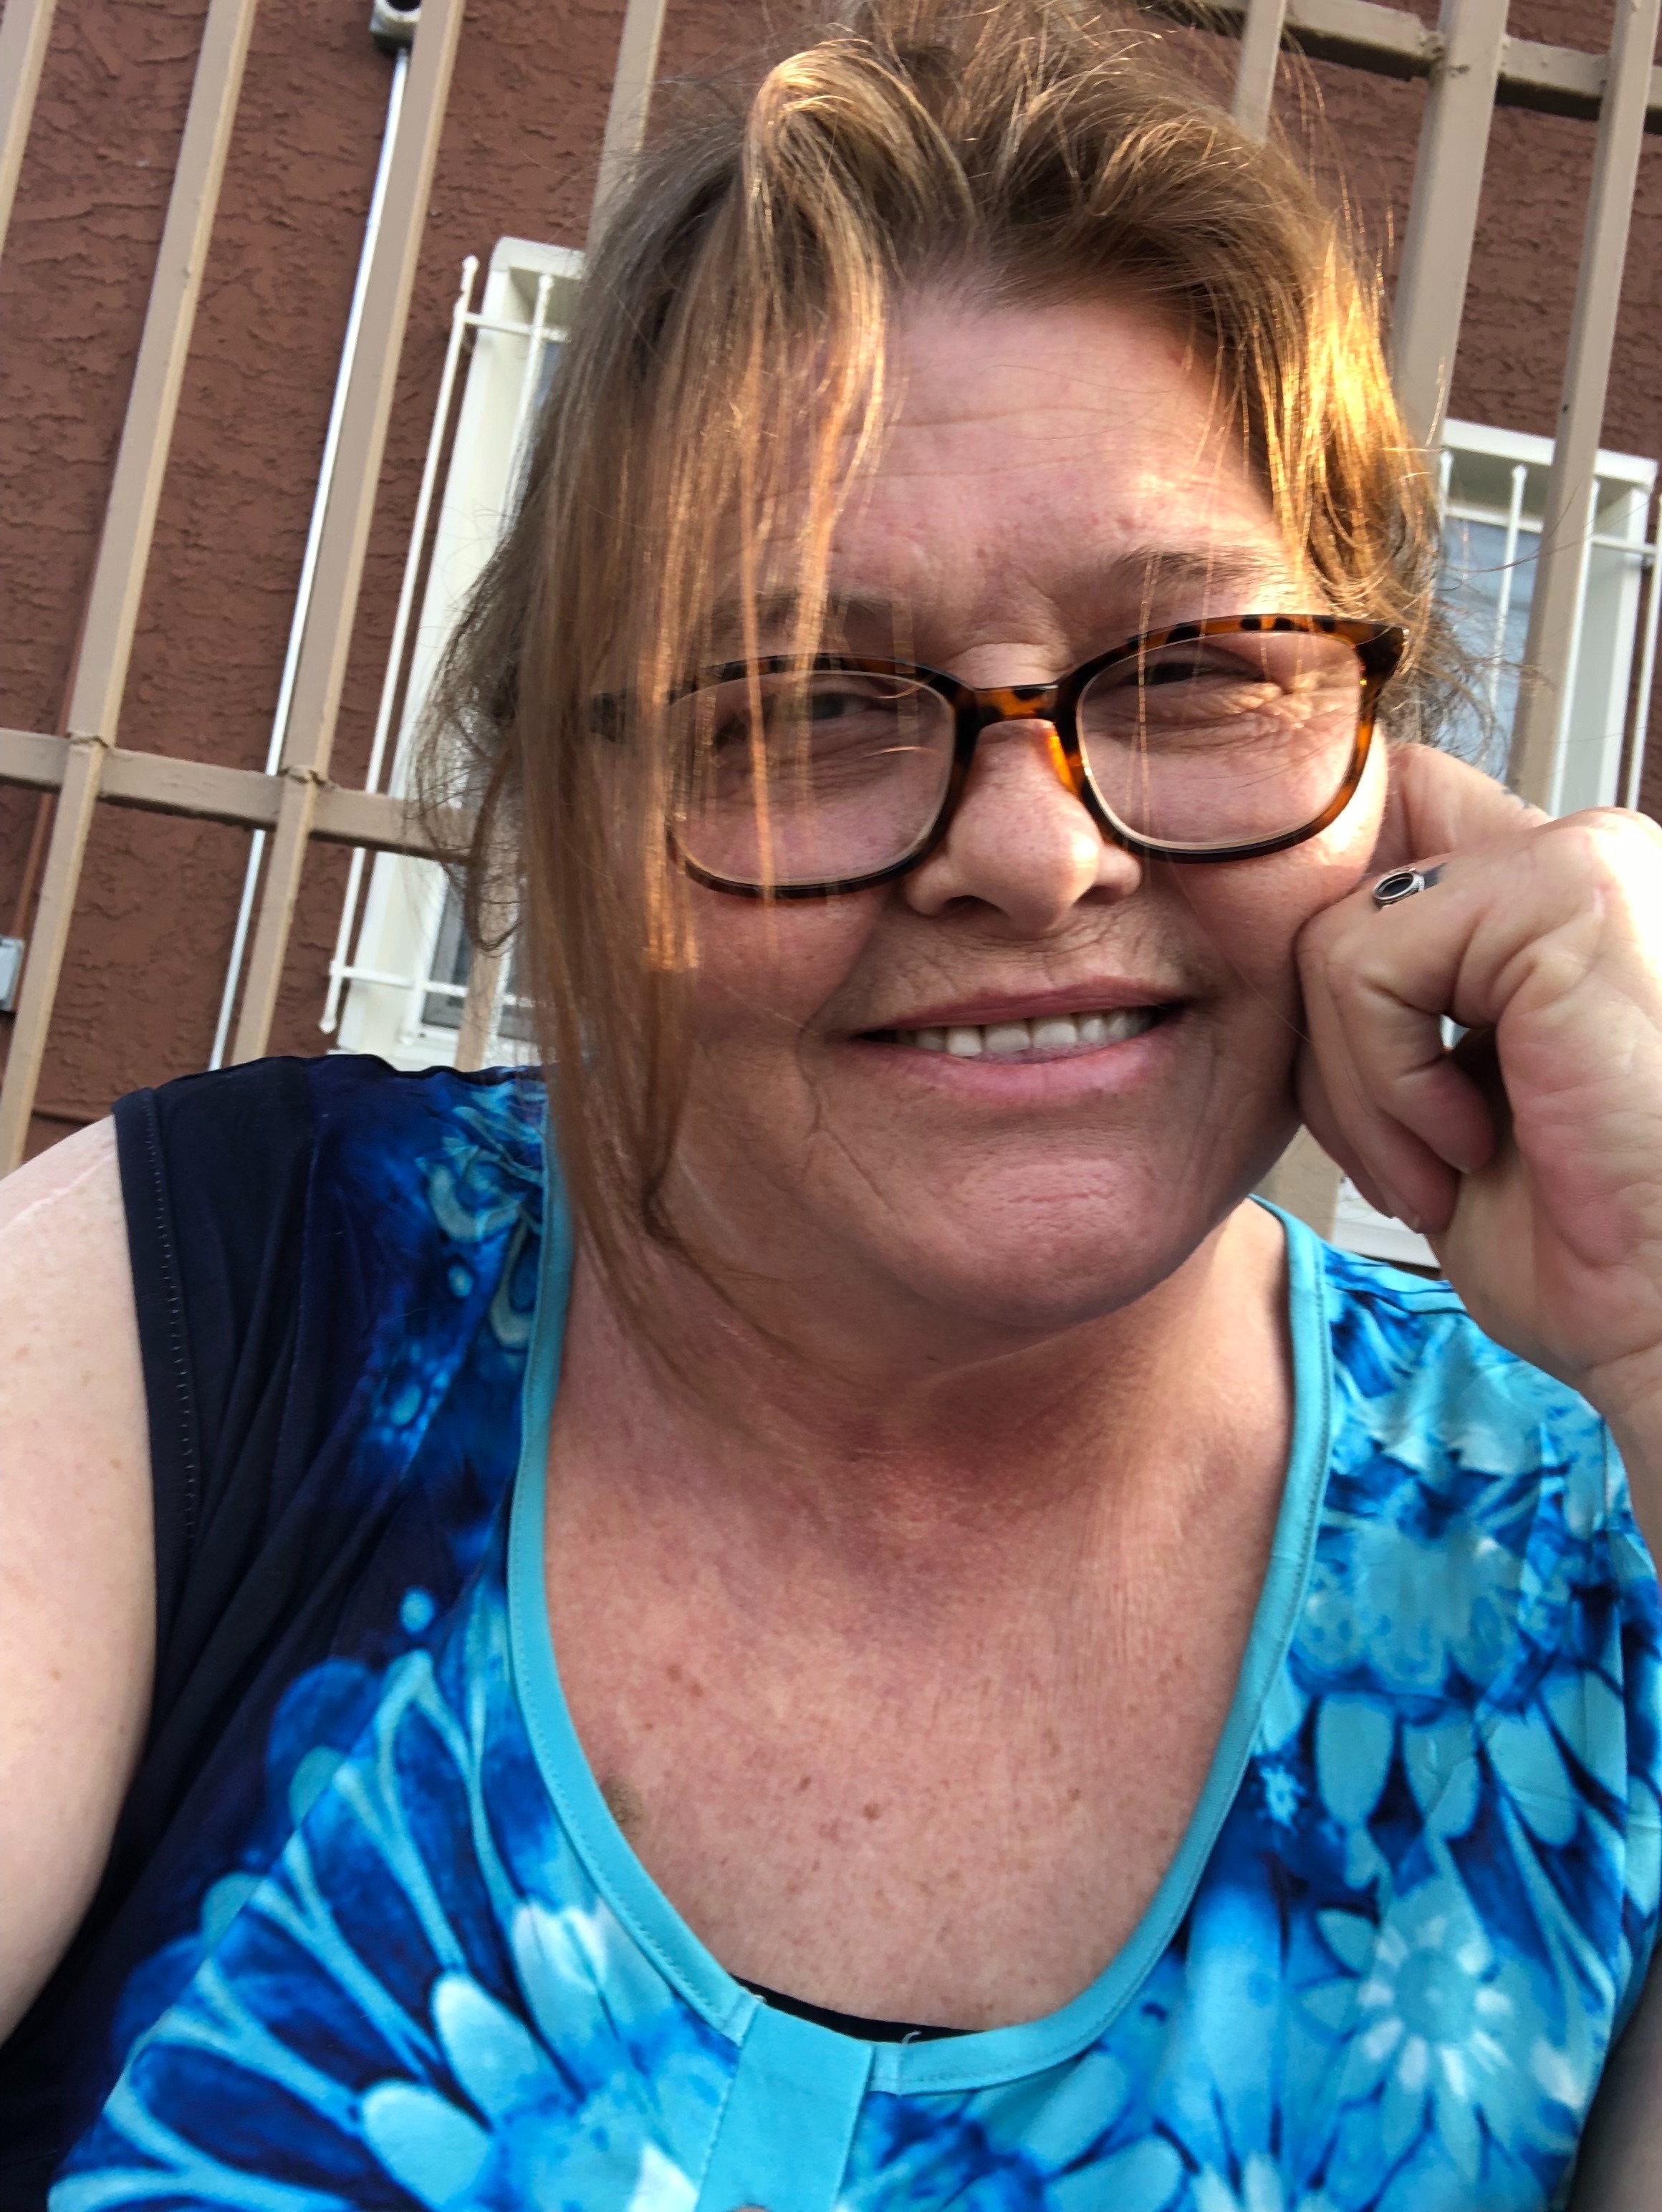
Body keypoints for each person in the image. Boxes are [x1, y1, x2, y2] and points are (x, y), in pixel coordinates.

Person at [3, 1, 1661, 2203]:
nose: (1038, 856)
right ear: (576, 800)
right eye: (809, 702)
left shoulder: (1603, 1554)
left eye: (1196, 673)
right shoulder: (202, 1326)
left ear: (1390, 778)